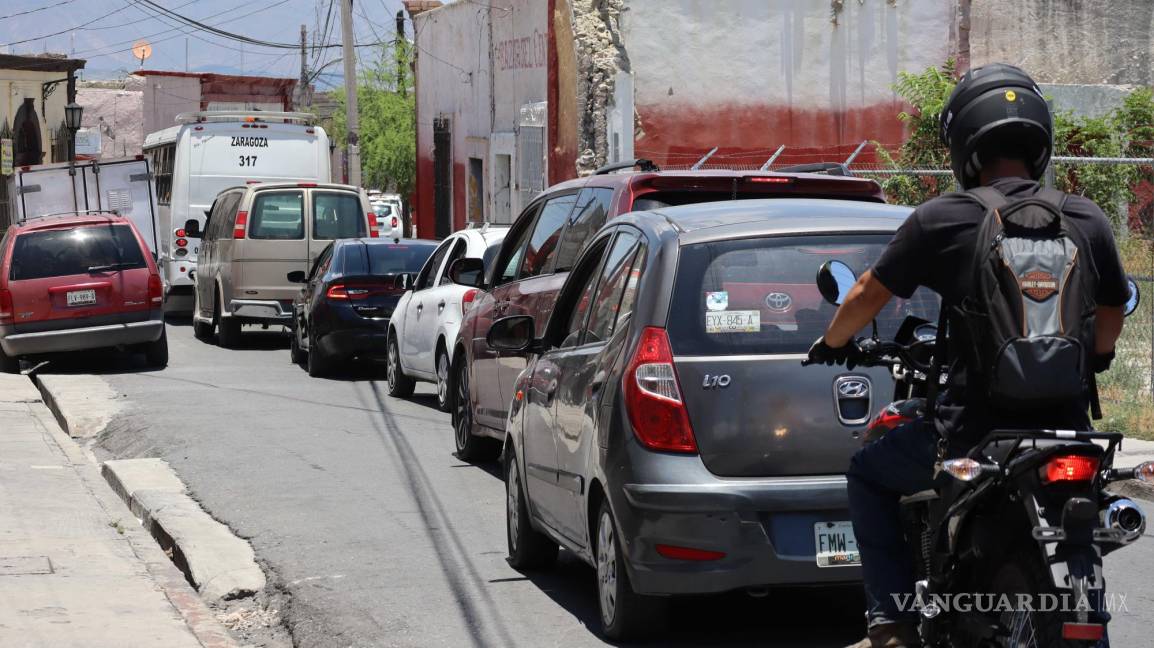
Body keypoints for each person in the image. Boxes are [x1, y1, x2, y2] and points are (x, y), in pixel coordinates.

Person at [806, 63, 1129, 648]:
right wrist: (1095, 361)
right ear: (1039, 141)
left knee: (867, 474)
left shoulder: (945, 217)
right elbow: (1111, 316)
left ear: (964, 146)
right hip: (1068, 433)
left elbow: (866, 294)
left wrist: (831, 343)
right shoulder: (1086, 218)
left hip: (970, 434)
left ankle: (893, 625)